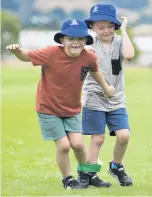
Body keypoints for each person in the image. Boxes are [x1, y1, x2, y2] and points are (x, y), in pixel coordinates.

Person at [6, 19, 115, 190]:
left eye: (80, 38)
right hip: (48, 109)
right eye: (71, 38)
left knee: (78, 144)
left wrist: (107, 88)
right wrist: (17, 51)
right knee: (64, 145)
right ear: (62, 40)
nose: (76, 42)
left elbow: (95, 72)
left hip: (71, 110)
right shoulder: (50, 53)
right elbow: (26, 56)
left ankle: (87, 174)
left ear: (86, 41)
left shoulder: (89, 57)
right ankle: (68, 180)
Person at [81, 4, 135, 187]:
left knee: (124, 136)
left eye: (110, 26)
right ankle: (89, 175)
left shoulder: (120, 42)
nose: (106, 30)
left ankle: (116, 166)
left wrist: (124, 31)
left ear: (115, 26)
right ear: (92, 28)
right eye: (100, 27)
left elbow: (129, 55)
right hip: (94, 97)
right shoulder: (89, 45)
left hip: (117, 99)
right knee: (97, 138)